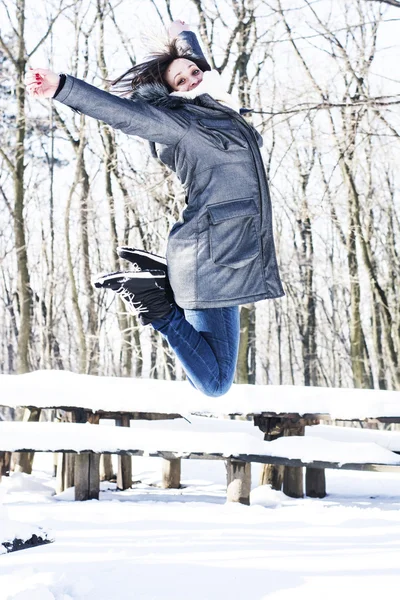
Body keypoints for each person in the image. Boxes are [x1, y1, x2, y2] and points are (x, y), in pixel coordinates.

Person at [25, 20, 284, 397]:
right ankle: (156, 304)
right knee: (214, 384)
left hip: (223, 253)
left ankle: (161, 289)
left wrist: (183, 36)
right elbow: (122, 114)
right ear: (171, 94)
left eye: (194, 71)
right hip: (211, 258)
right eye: (181, 80)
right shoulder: (179, 124)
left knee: (217, 379)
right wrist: (62, 87)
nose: (192, 78)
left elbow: (197, 68)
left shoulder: (216, 108)